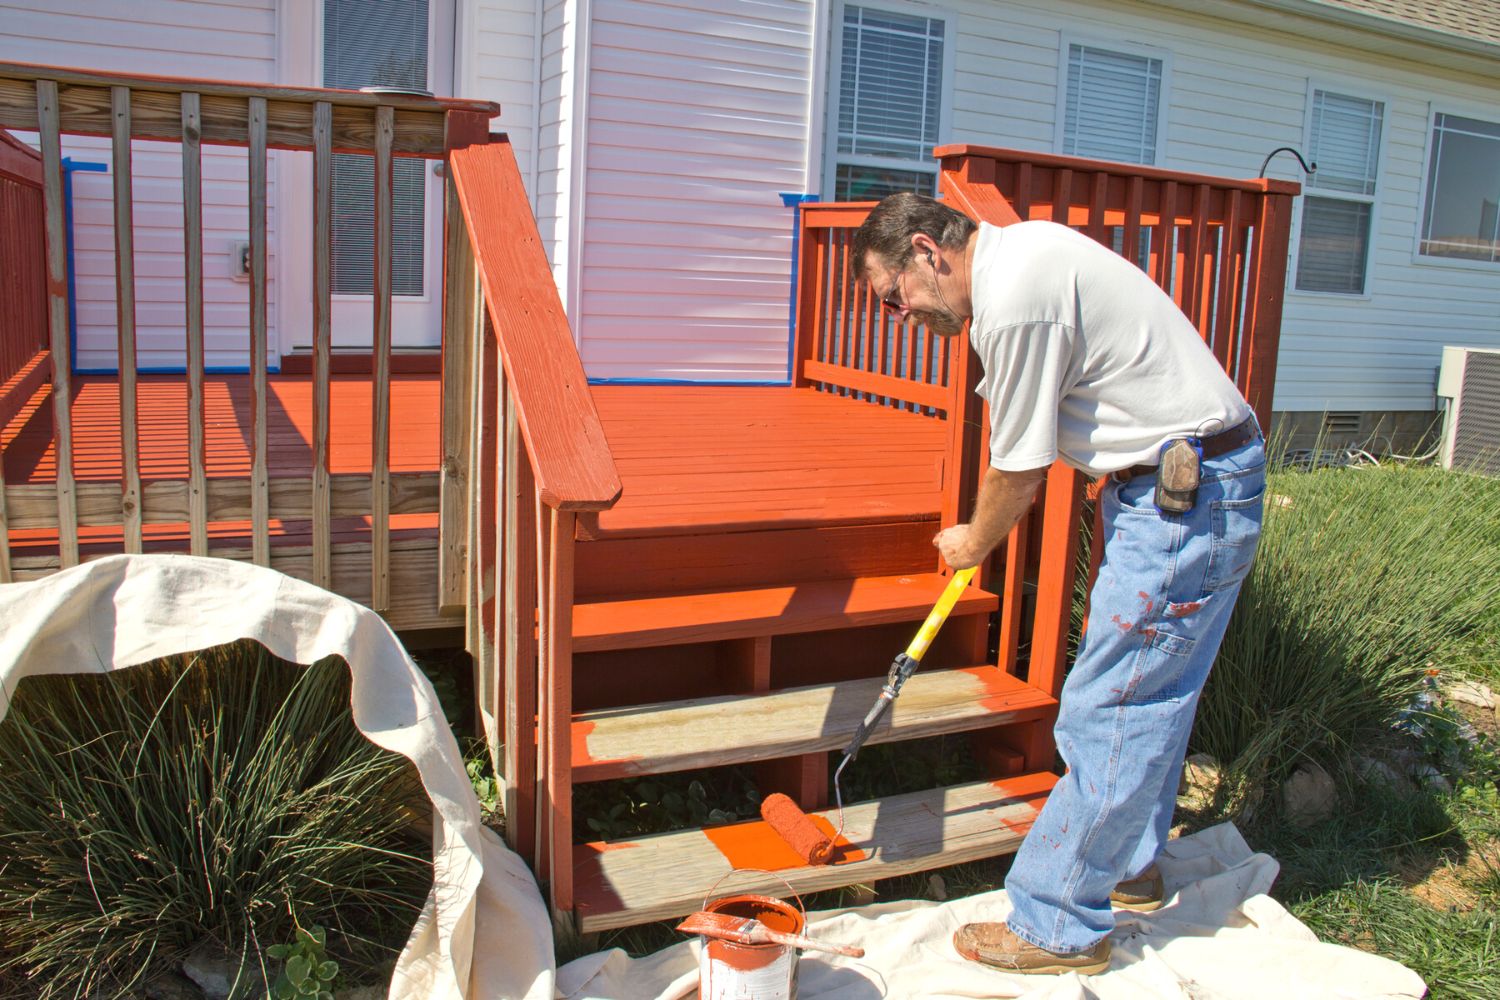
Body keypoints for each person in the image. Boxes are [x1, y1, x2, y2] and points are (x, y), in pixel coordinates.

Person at [851, 193, 1266, 976]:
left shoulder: (1017, 300)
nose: (899, 312)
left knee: (1111, 704)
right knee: (1150, 695)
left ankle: (1058, 922)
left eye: (892, 293)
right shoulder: (1023, 260)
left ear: (924, 251)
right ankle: (1127, 868)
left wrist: (973, 541)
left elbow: (1019, 468)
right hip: (1186, 488)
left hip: (1187, 498)